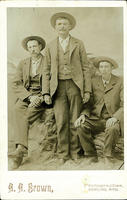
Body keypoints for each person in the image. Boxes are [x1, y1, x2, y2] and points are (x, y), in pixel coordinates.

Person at [42, 12, 91, 164]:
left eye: (64, 24)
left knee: (75, 119)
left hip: (75, 85)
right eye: (59, 24)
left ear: (70, 27)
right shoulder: (50, 45)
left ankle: (76, 152)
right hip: (57, 87)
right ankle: (63, 154)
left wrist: (87, 89)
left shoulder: (78, 43)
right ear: (55, 28)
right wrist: (45, 92)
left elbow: (85, 68)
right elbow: (46, 70)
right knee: (61, 120)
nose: (62, 26)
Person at [74, 56, 123, 167]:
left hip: (111, 118)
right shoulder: (93, 81)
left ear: (111, 68)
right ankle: (90, 156)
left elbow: (124, 104)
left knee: (113, 129)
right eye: (101, 67)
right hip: (95, 118)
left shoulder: (120, 81)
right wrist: (83, 115)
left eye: (106, 67)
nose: (103, 69)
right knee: (80, 126)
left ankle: (108, 156)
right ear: (98, 69)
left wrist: (115, 117)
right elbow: (89, 103)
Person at [8, 36, 46, 169]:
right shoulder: (23, 63)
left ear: (40, 47)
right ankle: (20, 149)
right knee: (17, 109)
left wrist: (41, 97)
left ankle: (19, 152)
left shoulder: (48, 62)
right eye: (29, 47)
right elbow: (16, 83)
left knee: (26, 115)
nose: (32, 49)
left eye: (34, 46)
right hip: (28, 95)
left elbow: (53, 83)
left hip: (43, 97)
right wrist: (29, 97)